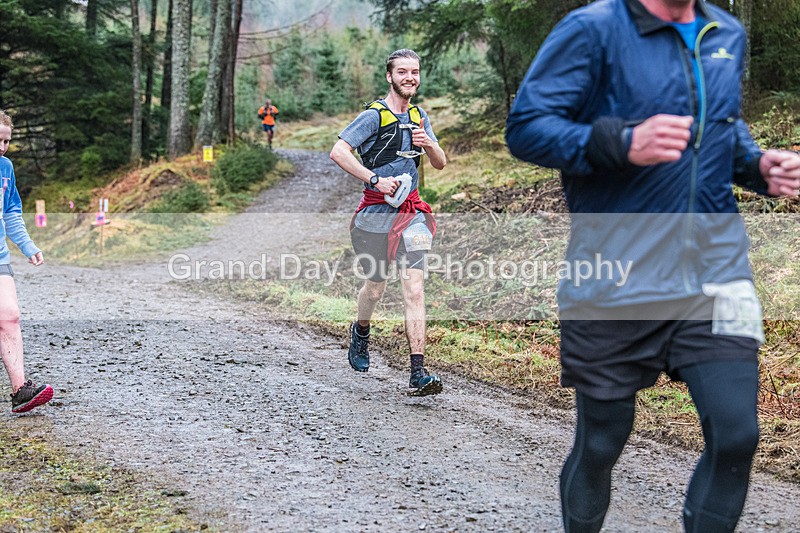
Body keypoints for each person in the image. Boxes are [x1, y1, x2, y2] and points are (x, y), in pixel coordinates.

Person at [506, 0, 800, 531]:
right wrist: (619, 142)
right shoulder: (592, 30)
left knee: (737, 434)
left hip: (716, 272)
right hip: (614, 279)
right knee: (601, 441)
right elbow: (527, 128)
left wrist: (758, 166)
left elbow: (719, 133)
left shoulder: (724, 31)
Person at [330, 49, 447, 396]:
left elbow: (440, 163)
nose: (410, 77)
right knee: (376, 288)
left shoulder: (419, 116)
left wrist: (429, 145)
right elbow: (339, 152)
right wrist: (373, 179)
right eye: (403, 72)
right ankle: (361, 331)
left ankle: (418, 372)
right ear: (389, 76)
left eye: (415, 72)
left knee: (414, 287)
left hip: (411, 215)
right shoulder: (374, 116)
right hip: (374, 217)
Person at [0, 110, 53, 414]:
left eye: (7, 141)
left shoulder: (6, 169)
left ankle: (20, 390)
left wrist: (28, 245)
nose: (2, 147)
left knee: (10, 316)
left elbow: (10, 213)